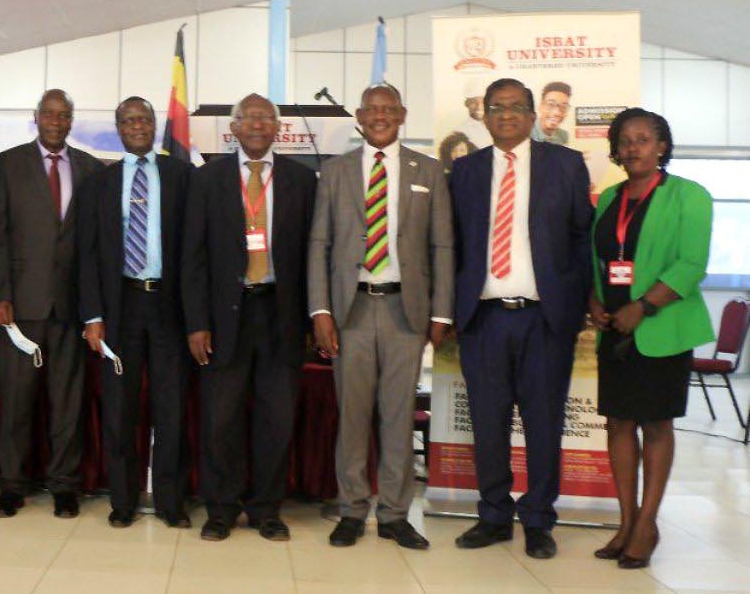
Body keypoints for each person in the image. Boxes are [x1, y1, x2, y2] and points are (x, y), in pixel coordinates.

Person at [449, 77, 592, 559]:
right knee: (487, 423)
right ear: (484, 117)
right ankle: (492, 515)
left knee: (544, 421)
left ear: (533, 116)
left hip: (545, 319)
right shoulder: (465, 171)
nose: (506, 115)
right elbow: (451, 246)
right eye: (496, 107)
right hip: (484, 318)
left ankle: (538, 519)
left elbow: (581, 239)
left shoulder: (566, 165)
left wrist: (576, 306)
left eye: (516, 107)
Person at [309, 84, 453, 550]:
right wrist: (321, 310)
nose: (379, 117)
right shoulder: (334, 172)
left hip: (404, 311)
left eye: (388, 109)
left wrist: (442, 312)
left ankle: (393, 514)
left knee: (396, 416)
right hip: (349, 309)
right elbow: (320, 245)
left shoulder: (428, 170)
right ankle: (352, 509)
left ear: (403, 114)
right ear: (358, 116)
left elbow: (443, 247)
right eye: (371, 110)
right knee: (352, 416)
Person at [182, 93, 317, 542]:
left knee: (276, 419)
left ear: (277, 128)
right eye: (249, 118)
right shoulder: (208, 180)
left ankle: (266, 509)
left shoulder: (302, 180)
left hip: (280, 314)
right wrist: (197, 322)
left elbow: (311, 257)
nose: (258, 124)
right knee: (221, 418)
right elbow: (193, 258)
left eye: (266, 118)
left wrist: (312, 318)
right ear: (233, 128)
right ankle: (221, 508)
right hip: (224, 316)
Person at [588, 108, 713, 569]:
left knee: (656, 426)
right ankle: (626, 521)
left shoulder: (689, 195)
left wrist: (643, 307)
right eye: (625, 140)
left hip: (661, 329)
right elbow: (597, 260)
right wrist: (596, 302)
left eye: (644, 139)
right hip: (614, 331)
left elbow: (690, 264)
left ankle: (647, 525)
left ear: (662, 146)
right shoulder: (608, 199)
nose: (633, 147)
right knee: (618, 424)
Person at [0, 89, 102, 519]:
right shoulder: (7, 164)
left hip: (71, 308)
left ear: (71, 121)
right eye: (49, 113)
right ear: (36, 118)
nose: (56, 120)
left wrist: (94, 308)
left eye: (64, 114)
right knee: (16, 400)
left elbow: (92, 244)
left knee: (67, 402)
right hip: (20, 306)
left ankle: (64, 485)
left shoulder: (90, 167)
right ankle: (12, 485)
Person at [77, 97, 193, 528]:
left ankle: (170, 502)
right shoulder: (99, 184)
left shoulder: (182, 176)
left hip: (168, 306)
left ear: (154, 125)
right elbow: (87, 255)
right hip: (119, 307)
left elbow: (195, 250)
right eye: (129, 121)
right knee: (120, 410)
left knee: (171, 409)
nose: (137, 126)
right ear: (119, 128)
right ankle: (122, 502)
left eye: (144, 119)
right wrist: (92, 316)